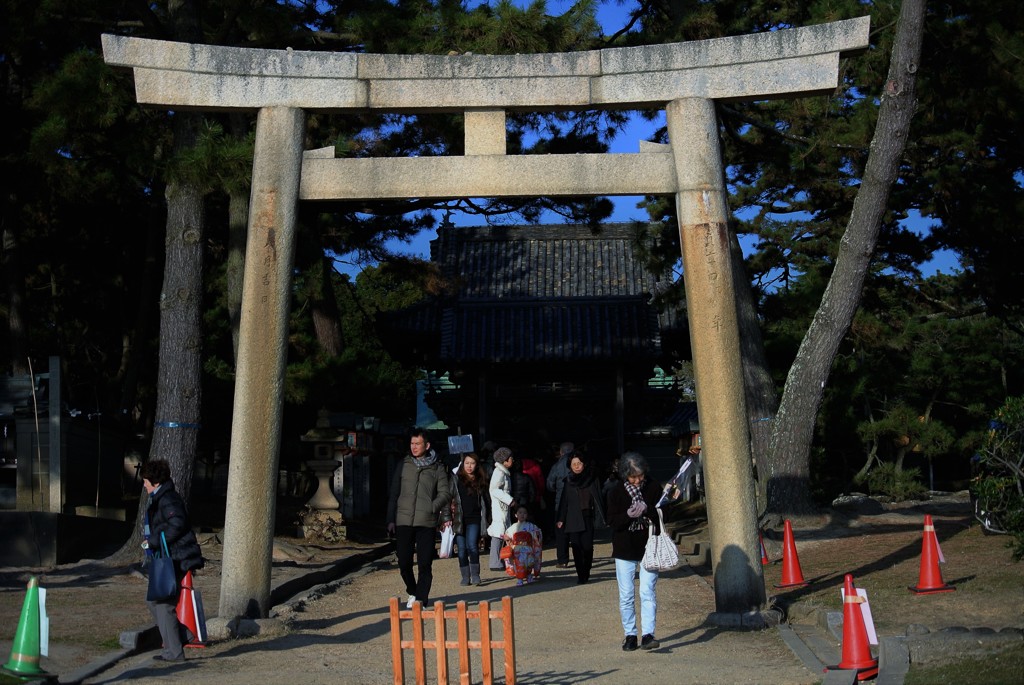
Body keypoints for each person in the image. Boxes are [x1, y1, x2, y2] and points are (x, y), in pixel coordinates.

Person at [140, 459, 204, 662]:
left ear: (155, 482)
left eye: (146, 481)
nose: (144, 484)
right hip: (173, 556)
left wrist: (155, 541)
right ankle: (183, 636)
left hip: (176, 557)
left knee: (162, 604)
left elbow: (178, 523)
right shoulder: (163, 497)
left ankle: (174, 652)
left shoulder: (167, 498)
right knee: (154, 601)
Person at [387, 428, 453, 608]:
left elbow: (445, 493)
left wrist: (432, 507)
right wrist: (390, 519)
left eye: (418, 443)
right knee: (404, 562)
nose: (414, 447)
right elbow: (394, 492)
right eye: (412, 443)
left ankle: (421, 598)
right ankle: (413, 591)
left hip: (426, 521)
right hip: (403, 519)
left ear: (427, 445)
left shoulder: (437, 467)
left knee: (425, 562)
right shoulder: (404, 464)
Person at [606, 451, 663, 651]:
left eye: (640, 476)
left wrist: (648, 510)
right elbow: (611, 521)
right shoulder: (616, 492)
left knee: (648, 591)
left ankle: (648, 634)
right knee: (627, 594)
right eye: (633, 477)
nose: (638, 480)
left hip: (650, 545)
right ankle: (630, 634)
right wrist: (629, 515)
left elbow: (664, 513)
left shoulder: (654, 487)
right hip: (624, 547)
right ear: (625, 475)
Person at [556, 449, 605, 584]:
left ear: (584, 464)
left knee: (588, 547)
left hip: (588, 516)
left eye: (579, 463)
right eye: (574, 464)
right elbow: (564, 501)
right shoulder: (568, 481)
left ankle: (586, 570)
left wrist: (603, 516)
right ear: (570, 466)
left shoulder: (592, 479)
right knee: (576, 547)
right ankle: (580, 575)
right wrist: (561, 519)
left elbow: (599, 498)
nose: (577, 466)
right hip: (573, 517)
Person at [451, 452, 489, 586]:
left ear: (477, 465)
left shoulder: (481, 480)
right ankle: (465, 576)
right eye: (467, 463)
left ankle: (475, 575)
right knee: (461, 548)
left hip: (475, 518)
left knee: (472, 546)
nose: (469, 466)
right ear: (462, 464)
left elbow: (486, 501)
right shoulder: (456, 480)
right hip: (459, 519)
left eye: (472, 463)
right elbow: (449, 497)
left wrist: (487, 517)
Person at [545, 441, 575, 567]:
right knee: (576, 532)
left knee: (561, 533)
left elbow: (550, 485)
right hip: (575, 504)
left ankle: (563, 560)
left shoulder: (556, 466)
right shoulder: (577, 464)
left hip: (560, 503)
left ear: (561, 452)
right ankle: (581, 557)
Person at [486, 446, 515, 572]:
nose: (512, 460)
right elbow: (494, 489)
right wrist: (509, 499)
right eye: (510, 458)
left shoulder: (503, 472)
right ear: (505, 460)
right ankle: (495, 561)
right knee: (499, 533)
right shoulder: (499, 472)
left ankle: (500, 560)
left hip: (502, 506)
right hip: (500, 507)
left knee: (502, 532)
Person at [503, 505, 543, 585]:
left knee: (529, 563)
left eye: (524, 513)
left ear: (527, 515)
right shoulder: (512, 527)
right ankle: (520, 579)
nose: (522, 515)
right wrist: (506, 538)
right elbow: (507, 536)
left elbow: (538, 534)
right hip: (517, 550)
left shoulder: (531, 526)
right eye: (520, 512)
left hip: (528, 549)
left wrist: (537, 534)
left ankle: (529, 576)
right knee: (518, 564)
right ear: (516, 515)